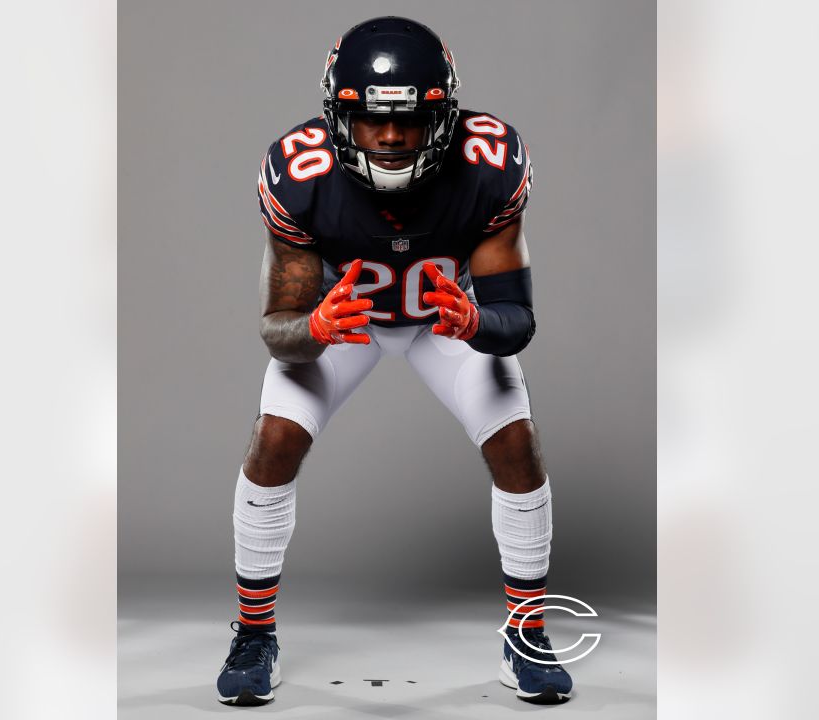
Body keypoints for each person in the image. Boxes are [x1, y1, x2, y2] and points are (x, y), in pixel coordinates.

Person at [215, 16, 573, 706]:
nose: (388, 137)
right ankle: (255, 634)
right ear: (337, 117)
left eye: (408, 120)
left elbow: (517, 321)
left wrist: (476, 321)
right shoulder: (301, 175)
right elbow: (278, 331)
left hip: (446, 316)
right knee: (274, 439)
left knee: (517, 444)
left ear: (442, 115)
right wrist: (315, 323)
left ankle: (526, 633)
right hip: (347, 321)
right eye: (370, 119)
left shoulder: (488, 165)